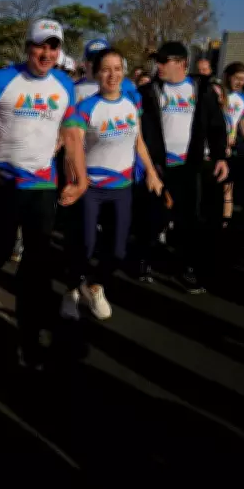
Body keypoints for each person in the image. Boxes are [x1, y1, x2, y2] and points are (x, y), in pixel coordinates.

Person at [0, 18, 85, 368]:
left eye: (53, 47)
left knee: (37, 262)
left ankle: (28, 338)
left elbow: (72, 134)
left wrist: (81, 178)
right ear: (27, 47)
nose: (46, 53)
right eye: (40, 46)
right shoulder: (2, 79)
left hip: (42, 185)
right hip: (4, 183)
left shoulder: (64, 84)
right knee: (0, 246)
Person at [61, 48, 163, 320]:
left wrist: (151, 172)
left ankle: (94, 286)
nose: (112, 74)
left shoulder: (131, 102)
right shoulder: (86, 107)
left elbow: (138, 141)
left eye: (117, 68)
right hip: (91, 188)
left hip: (122, 188)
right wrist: (74, 181)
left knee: (118, 250)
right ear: (95, 73)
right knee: (85, 245)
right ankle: (70, 292)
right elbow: (73, 149)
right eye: (106, 69)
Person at [137, 41, 229, 292]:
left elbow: (216, 125)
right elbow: (140, 130)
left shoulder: (201, 90)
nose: (159, 66)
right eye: (158, 61)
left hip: (190, 166)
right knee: (152, 216)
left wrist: (220, 156)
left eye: (164, 61)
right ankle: (143, 259)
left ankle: (187, 267)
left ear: (181, 64)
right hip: (159, 166)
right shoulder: (149, 91)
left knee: (190, 219)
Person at [220, 62, 244, 228]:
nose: (241, 83)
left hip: (228, 150)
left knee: (228, 187)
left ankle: (225, 223)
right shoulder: (215, 93)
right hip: (207, 149)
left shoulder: (243, 99)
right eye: (238, 78)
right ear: (228, 76)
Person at [75, 38, 138, 103]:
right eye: (93, 59)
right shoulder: (74, 88)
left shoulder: (128, 86)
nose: (98, 63)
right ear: (85, 63)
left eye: (103, 58)